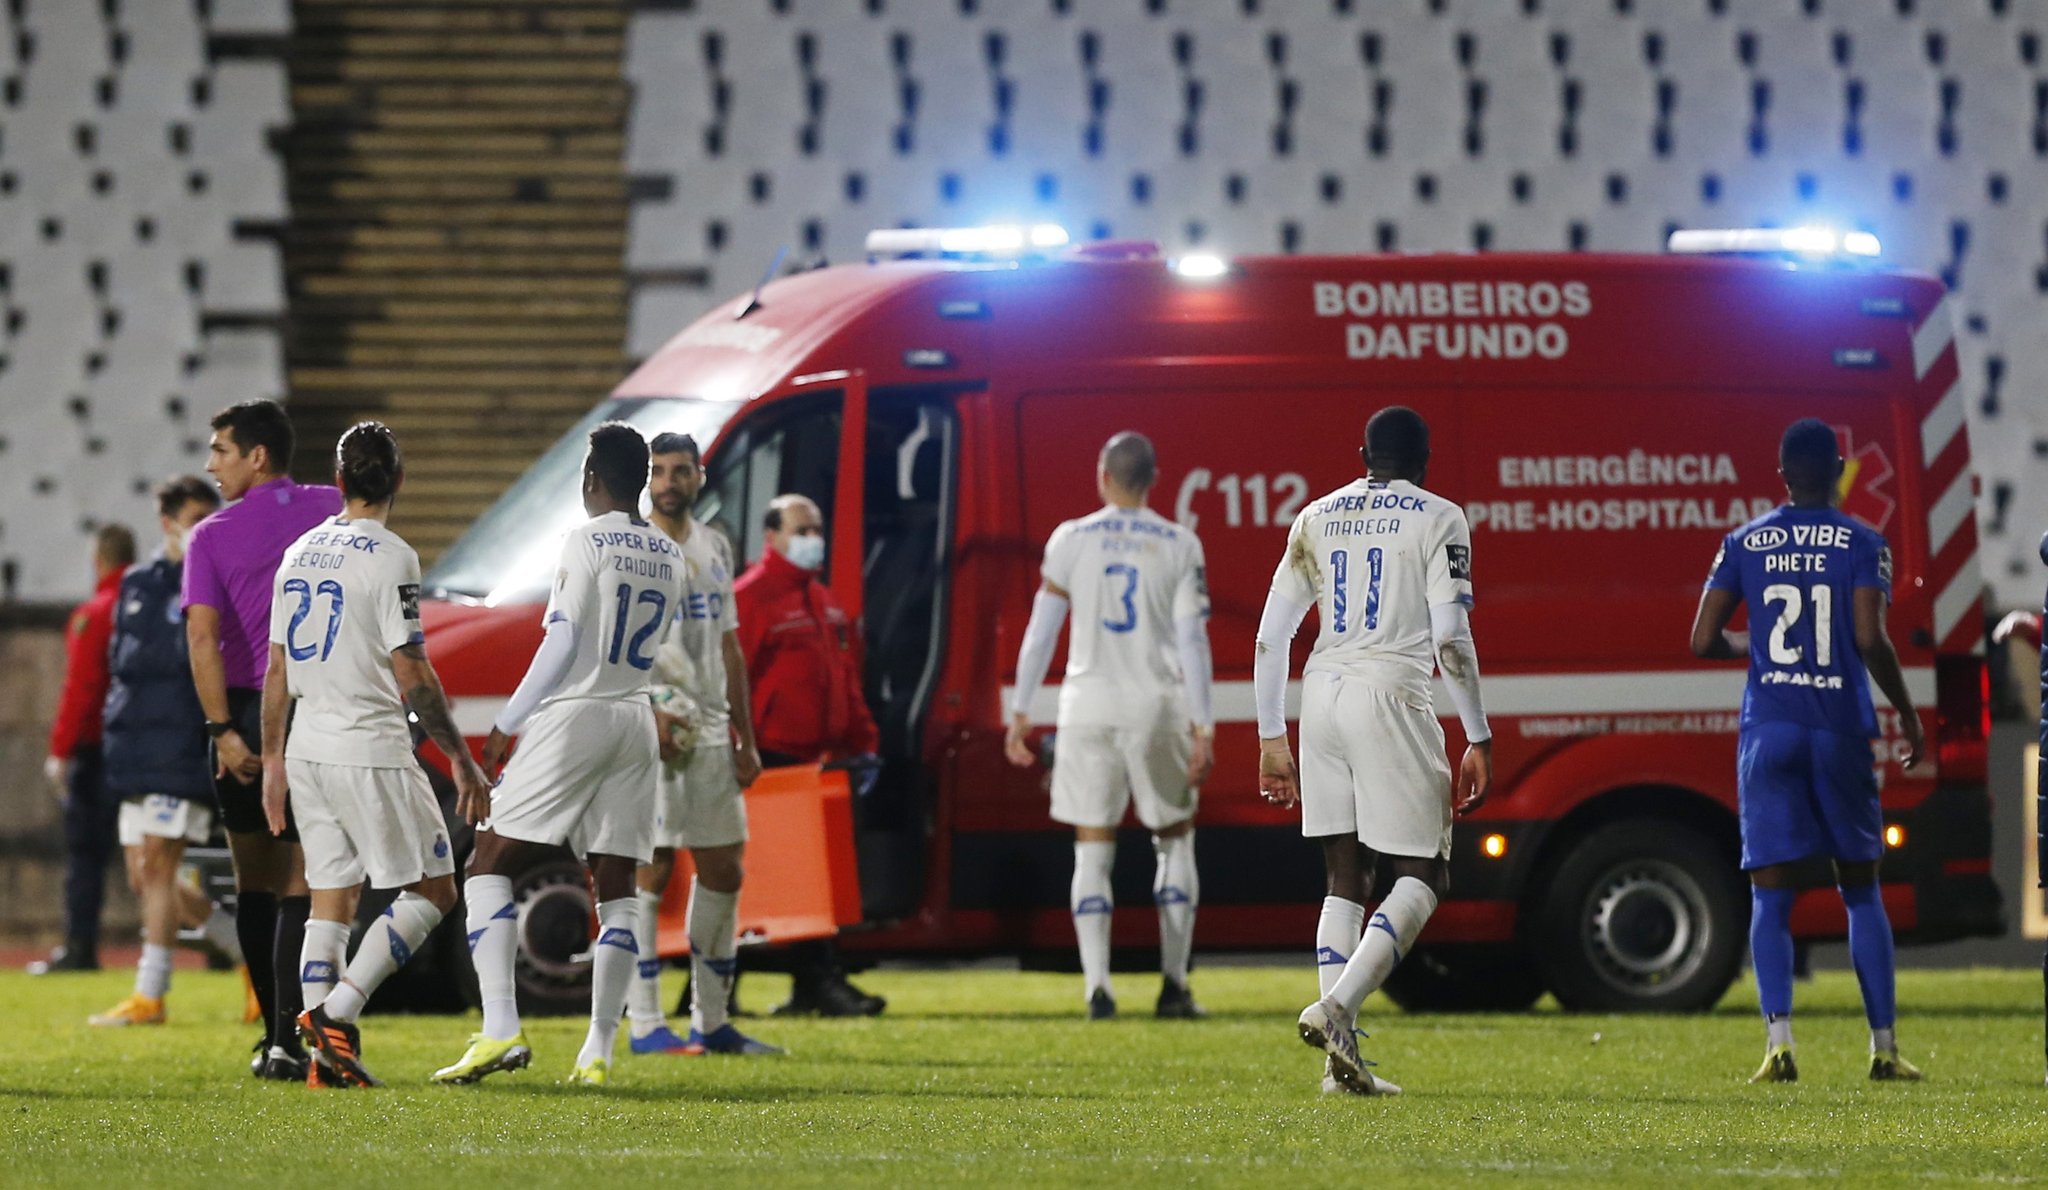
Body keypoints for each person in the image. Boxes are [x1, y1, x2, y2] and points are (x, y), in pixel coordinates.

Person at [1253, 406, 1492, 1096]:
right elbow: (1449, 639)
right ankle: (1336, 1009)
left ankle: (1339, 1064)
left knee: (1345, 876)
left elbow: (1273, 635)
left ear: (1362, 452)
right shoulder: (1440, 517)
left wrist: (1272, 734)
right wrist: (1478, 732)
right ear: (1426, 459)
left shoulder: (1316, 516)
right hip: (1389, 691)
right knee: (1424, 873)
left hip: (1320, 696)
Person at [434, 423, 680, 1088]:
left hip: (577, 714)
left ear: (592, 480)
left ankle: (500, 1031)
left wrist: (507, 722)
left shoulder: (584, 539)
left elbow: (563, 641)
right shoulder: (668, 553)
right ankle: (598, 1049)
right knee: (618, 884)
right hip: (634, 718)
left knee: (486, 860)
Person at [1690, 417, 1927, 1084]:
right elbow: (1870, 637)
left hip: (1770, 727)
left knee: (1770, 895)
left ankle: (1779, 1045)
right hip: (1839, 726)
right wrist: (1907, 714)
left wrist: (1759, 646)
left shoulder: (1745, 540)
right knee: (1860, 888)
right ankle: (1882, 1048)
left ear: (1783, 471)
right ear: (1840, 470)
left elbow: (1703, 639)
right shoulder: (1863, 541)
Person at [258, 423, 492, 1088]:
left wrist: (273, 758)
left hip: (307, 748)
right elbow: (413, 672)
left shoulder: (299, 551)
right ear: (397, 481)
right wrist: (462, 760)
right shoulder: (392, 557)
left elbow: (276, 667)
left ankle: (320, 1060)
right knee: (436, 887)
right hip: (369, 745)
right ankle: (336, 1011)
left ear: (337, 482)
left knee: (332, 895)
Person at [1004, 432, 1216, 1020]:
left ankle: (1098, 988)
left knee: (1092, 849)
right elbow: (1192, 640)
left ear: (1103, 474)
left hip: (1087, 706)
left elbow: (1041, 631)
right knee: (1174, 839)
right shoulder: (1179, 543)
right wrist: (1204, 726)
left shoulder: (1071, 539)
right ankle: (1174, 986)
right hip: (1155, 704)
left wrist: (1021, 710)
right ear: (1154, 479)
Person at [184, 399, 344, 1080]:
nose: (211, 465)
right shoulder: (336, 506)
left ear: (257, 455)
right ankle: (294, 1035)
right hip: (317, 706)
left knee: (257, 878)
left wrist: (222, 731)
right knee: (307, 875)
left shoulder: (211, 534)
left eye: (221, 450)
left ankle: (276, 1041)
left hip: (246, 711)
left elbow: (201, 638)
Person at [625, 432, 778, 1056]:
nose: (668, 481)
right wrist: (644, 711)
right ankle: (643, 1025)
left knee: (724, 868)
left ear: (699, 476)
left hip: (712, 726)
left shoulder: (716, 545)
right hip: (654, 725)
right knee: (650, 869)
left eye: (680, 470)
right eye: (658, 471)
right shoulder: (631, 546)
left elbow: (729, 643)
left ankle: (710, 1020)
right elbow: (618, 643)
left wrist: (746, 734)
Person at [89, 476, 243, 1026]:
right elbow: (121, 668)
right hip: (135, 747)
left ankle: (150, 994)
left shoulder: (213, 581)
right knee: (144, 876)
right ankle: (248, 956)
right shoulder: (137, 583)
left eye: (211, 514)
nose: (205, 525)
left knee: (157, 865)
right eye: (196, 514)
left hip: (180, 745)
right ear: (168, 522)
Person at [733, 493, 886, 1017]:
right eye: (800, 529)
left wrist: (864, 742)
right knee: (759, 880)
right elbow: (733, 681)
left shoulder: (824, 602)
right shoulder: (751, 599)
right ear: (770, 537)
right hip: (770, 759)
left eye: (816, 528)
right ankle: (725, 991)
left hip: (816, 762)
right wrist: (739, 748)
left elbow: (845, 679)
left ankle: (813, 986)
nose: (811, 539)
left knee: (810, 886)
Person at [34, 524, 138, 974]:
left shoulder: (94, 614)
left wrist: (61, 750)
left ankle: (80, 946)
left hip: (97, 751)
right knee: (160, 854)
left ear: (99, 560)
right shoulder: (148, 609)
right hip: (144, 747)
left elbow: (81, 688)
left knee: (85, 855)